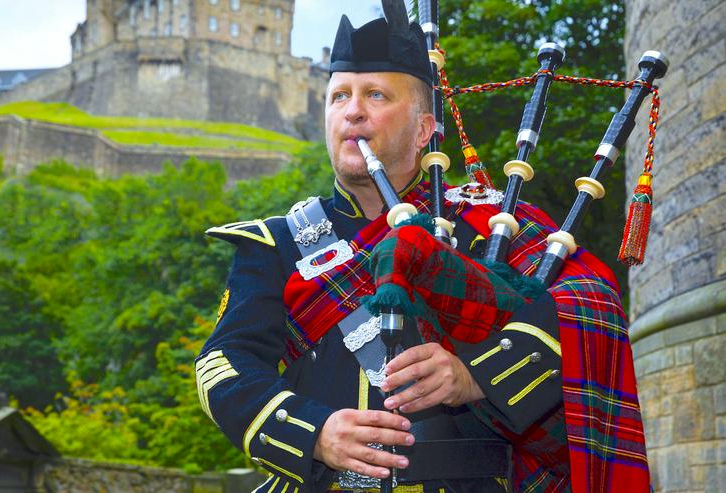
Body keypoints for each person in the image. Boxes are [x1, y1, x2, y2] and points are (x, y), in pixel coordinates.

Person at [196, 3, 650, 492]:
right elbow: (223, 365)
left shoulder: (490, 223)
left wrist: (475, 374)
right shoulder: (277, 243)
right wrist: (314, 433)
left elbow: (590, 304)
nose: (352, 111)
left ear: (423, 130)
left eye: (375, 95)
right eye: (339, 97)